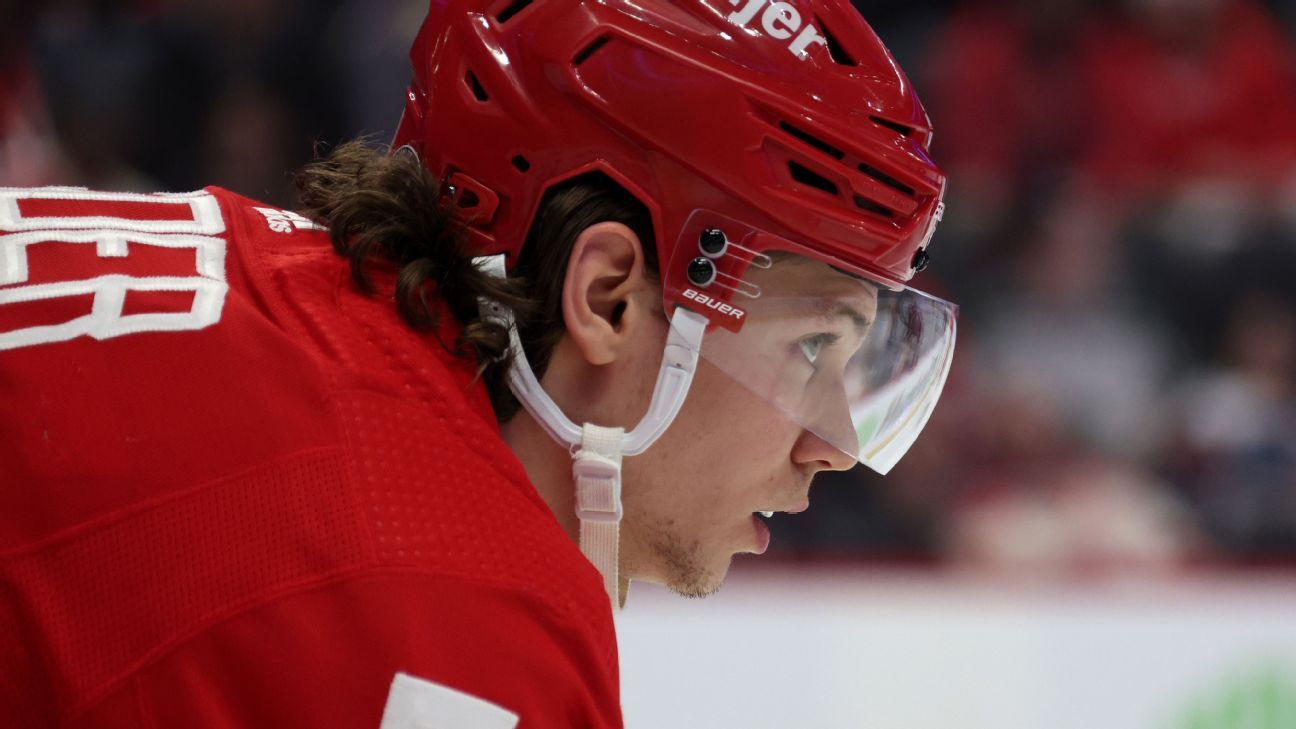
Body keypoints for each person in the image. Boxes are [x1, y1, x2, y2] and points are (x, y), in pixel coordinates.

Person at [0, 0, 955, 726]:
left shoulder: (279, 281)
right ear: (608, 298)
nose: (831, 443)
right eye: (814, 346)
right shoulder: (463, 628)